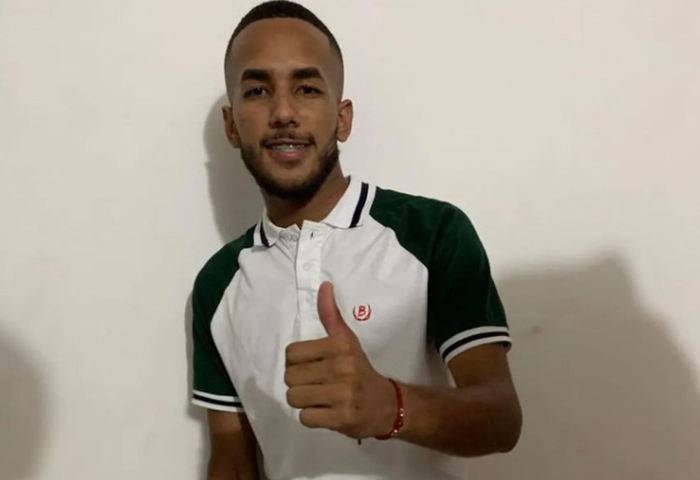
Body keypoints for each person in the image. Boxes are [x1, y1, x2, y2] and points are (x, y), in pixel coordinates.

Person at [190, 2, 522, 479]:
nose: (283, 112)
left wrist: (391, 406)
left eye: (307, 88)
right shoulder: (217, 283)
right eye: (258, 90)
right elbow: (231, 458)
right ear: (231, 125)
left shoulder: (432, 232)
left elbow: (501, 417)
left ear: (343, 118)